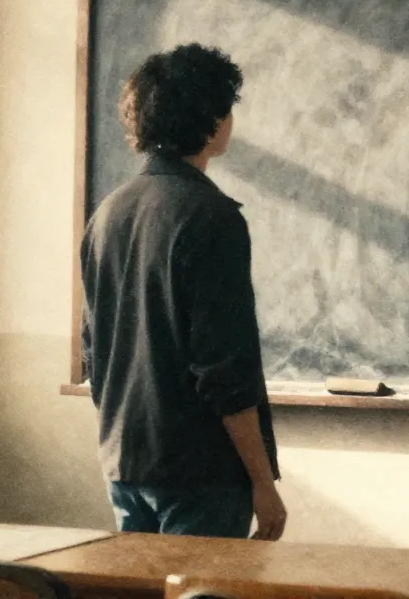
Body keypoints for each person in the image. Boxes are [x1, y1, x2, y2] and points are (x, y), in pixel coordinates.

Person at [79, 43, 287, 540]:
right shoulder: (212, 217)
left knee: (140, 584)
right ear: (211, 121)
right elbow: (224, 368)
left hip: (125, 462)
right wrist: (263, 482)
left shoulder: (108, 214)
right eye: (227, 109)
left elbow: (94, 350)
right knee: (201, 583)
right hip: (201, 473)